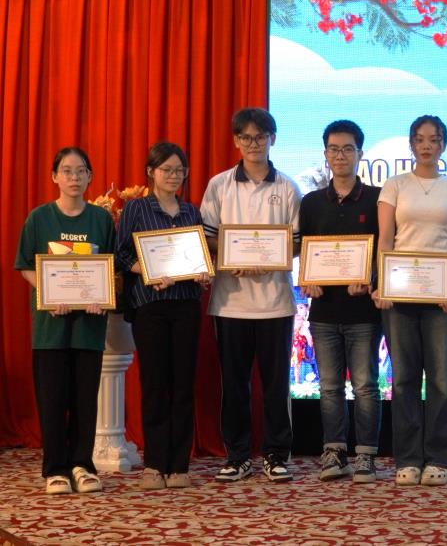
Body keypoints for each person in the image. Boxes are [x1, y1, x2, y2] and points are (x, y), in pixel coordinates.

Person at [200, 107, 302, 483]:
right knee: (235, 385)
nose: (253, 143)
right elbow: (207, 236)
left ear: (273, 139)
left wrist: (270, 261)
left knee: (277, 386)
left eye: (261, 136)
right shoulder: (219, 185)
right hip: (230, 302)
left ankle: (276, 454)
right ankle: (238, 455)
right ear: (236, 141)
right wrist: (229, 256)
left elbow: (296, 242)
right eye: (246, 137)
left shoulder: (288, 187)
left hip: (276, 303)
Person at [377, 115, 447, 487]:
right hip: (400, 297)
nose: (427, 145)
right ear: (412, 144)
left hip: (440, 299)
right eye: (420, 139)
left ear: (444, 145)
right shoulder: (395, 185)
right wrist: (383, 286)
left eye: (434, 139)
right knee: (403, 381)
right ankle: (408, 458)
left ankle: (439, 458)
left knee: (441, 382)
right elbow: (386, 239)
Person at [15, 147, 114, 494]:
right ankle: (54, 470)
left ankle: (82, 466)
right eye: (67, 171)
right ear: (54, 176)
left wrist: (102, 297)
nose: (74, 178)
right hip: (50, 328)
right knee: (53, 400)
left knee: (86, 401)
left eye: (81, 171)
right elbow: (26, 265)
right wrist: (48, 292)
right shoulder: (39, 218)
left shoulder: (101, 219)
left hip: (89, 327)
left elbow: (109, 269)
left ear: (90, 177)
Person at [115, 142, 210, 490]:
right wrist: (148, 271)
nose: (174, 176)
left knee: (183, 384)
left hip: (185, 303)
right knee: (155, 384)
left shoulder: (191, 212)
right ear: (151, 172)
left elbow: (199, 257)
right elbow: (121, 256)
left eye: (179, 170)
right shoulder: (136, 209)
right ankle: (155, 463)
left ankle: (178, 464)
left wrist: (203, 274)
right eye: (166, 169)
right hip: (150, 307)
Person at [299, 120, 382, 483]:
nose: (340, 155)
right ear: (325, 155)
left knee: (365, 385)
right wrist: (308, 280)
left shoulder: (379, 199)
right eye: (334, 149)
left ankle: (366, 455)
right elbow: (306, 253)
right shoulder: (312, 202)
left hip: (364, 310)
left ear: (360, 154)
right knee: (330, 386)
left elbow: (384, 251)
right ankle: (334, 451)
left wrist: (371, 280)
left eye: (348, 149)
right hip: (324, 311)